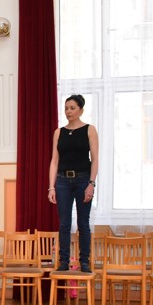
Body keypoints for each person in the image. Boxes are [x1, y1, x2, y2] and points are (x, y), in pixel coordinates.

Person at [48, 94, 99, 272]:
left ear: (81, 110)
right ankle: (64, 261)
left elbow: (95, 159)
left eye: (72, 108)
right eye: (66, 108)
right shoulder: (59, 132)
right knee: (64, 223)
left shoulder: (89, 130)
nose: (68, 111)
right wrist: (51, 187)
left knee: (83, 223)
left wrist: (91, 183)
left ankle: (84, 262)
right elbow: (54, 161)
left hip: (83, 179)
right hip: (62, 180)